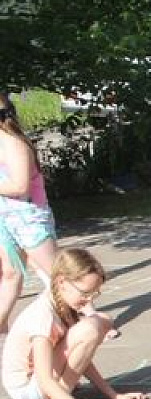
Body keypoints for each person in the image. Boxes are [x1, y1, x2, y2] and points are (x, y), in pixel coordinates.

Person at [2, 248, 146, 399]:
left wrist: (113, 395)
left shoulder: (64, 304)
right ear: (62, 282)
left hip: (41, 381)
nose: (89, 301)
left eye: (95, 294)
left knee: (101, 321)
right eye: (85, 293)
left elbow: (80, 357)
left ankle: (61, 395)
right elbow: (45, 379)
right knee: (90, 329)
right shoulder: (43, 318)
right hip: (27, 388)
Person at [0, 91, 60, 332]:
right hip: (5, 218)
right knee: (11, 273)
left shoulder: (14, 144)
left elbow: (20, 187)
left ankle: (89, 316)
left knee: (56, 272)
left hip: (28, 218)